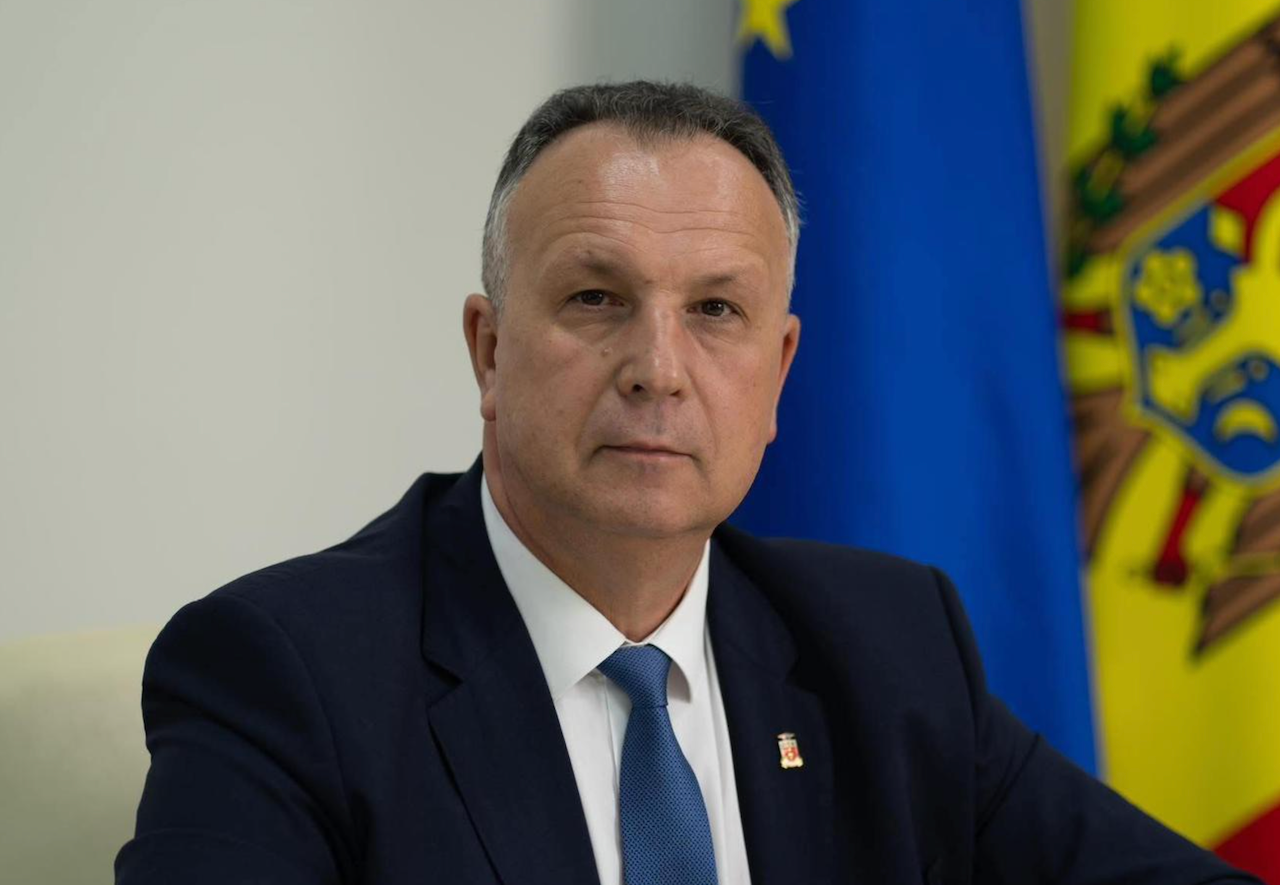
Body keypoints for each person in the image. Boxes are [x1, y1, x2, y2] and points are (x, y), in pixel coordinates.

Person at [115, 82, 1258, 885]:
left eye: (715, 310)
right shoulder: (284, 673)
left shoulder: (887, 646)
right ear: (489, 353)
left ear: (778, 373)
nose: (657, 370)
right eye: (595, 299)